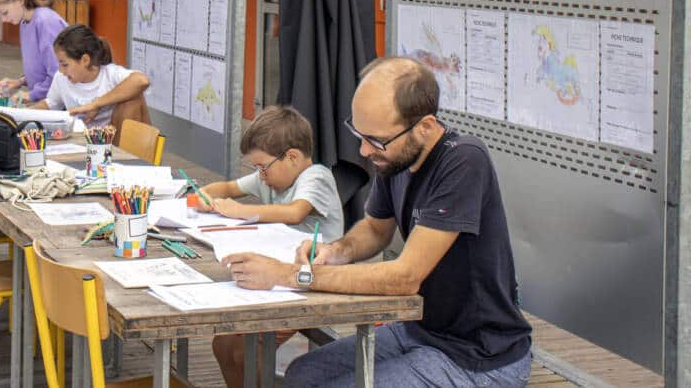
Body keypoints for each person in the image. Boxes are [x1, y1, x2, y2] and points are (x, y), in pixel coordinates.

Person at [223, 56, 532, 387]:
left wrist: (288, 275)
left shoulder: (464, 160)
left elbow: (405, 277)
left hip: (478, 355)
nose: (364, 150)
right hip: (419, 328)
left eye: (376, 140)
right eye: (358, 134)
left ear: (425, 127)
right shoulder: (395, 156)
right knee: (301, 375)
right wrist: (334, 250)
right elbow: (374, 229)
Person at [202, 105, 345, 388]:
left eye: (262, 167)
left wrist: (242, 212)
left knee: (246, 351)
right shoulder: (269, 175)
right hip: (274, 278)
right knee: (222, 344)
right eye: (256, 168)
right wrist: (205, 195)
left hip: (311, 282)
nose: (260, 175)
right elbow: (229, 188)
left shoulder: (315, 176)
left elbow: (295, 212)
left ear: (291, 157)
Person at [30, 24, 150, 127]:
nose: (61, 70)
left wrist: (96, 104)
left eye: (65, 64)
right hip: (80, 142)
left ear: (85, 60)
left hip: (110, 142)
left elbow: (141, 81)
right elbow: (50, 103)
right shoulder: (61, 78)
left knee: (133, 99)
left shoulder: (109, 75)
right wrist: (19, 114)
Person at [0, 0, 67, 103]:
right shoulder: (25, 22)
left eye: (4, 12)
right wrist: (19, 82)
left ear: (19, 0)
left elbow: (59, 74)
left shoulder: (45, 22)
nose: (3, 19)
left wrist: (31, 95)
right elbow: (41, 68)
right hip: (50, 101)